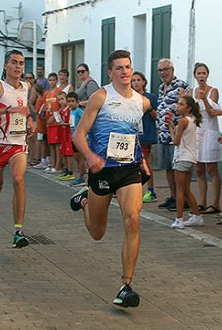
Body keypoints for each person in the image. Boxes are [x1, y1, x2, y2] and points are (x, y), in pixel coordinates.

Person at [69, 49, 151, 308]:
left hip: (129, 169)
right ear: (110, 72)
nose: (125, 72)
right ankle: (85, 202)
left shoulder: (141, 102)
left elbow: (134, 134)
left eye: (128, 67)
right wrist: (91, 157)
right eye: (119, 68)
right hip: (102, 170)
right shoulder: (100, 97)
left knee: (133, 220)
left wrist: (144, 161)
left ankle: (126, 286)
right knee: (97, 232)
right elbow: (78, 135)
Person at [0, 50, 35, 248]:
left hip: (18, 143)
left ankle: (18, 231)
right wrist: (7, 109)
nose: (18, 66)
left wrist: (30, 120)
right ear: (5, 66)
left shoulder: (26, 87)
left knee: (19, 179)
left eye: (21, 63)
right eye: (14, 62)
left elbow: (24, 108)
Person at [189, 62, 222, 215]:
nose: (201, 76)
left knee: (211, 168)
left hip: (209, 131)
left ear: (207, 75)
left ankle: (215, 202)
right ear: (195, 76)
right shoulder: (192, 92)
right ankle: (202, 202)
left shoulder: (213, 91)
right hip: (197, 132)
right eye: (199, 73)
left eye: (204, 73)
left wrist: (203, 100)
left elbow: (212, 113)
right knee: (199, 169)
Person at [156, 58, 189, 211]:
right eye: (160, 70)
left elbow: (187, 106)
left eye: (166, 69)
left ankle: (183, 199)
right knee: (168, 167)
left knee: (177, 168)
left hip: (175, 132)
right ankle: (173, 196)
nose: (163, 73)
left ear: (172, 70)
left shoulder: (180, 85)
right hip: (163, 132)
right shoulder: (161, 87)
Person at [168, 95, 204, 228]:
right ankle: (197, 215)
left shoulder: (183, 121)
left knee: (180, 190)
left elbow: (176, 142)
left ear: (188, 108)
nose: (178, 106)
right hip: (191, 158)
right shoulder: (193, 119)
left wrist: (174, 131)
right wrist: (173, 128)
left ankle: (179, 219)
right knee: (186, 189)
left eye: (181, 104)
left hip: (182, 157)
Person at [131, 72, 158, 203]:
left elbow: (156, 116)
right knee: (132, 163)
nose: (135, 83)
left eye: (138, 80)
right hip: (131, 134)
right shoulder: (128, 97)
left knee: (145, 162)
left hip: (145, 134)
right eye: (133, 80)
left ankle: (151, 190)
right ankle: (133, 190)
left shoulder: (150, 97)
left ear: (144, 82)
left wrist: (149, 107)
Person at [43, 73, 63, 173]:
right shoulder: (46, 93)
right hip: (48, 122)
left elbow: (62, 105)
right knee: (51, 144)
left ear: (57, 81)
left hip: (56, 122)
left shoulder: (59, 92)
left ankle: (58, 165)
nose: (52, 82)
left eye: (54, 80)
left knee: (57, 144)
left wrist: (54, 116)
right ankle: (52, 163)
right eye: (50, 80)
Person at [66, 92, 86, 187]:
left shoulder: (79, 112)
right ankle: (80, 175)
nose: (71, 103)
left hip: (79, 138)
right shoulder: (70, 111)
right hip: (72, 137)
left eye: (73, 101)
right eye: (69, 101)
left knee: (80, 158)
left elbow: (85, 122)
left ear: (77, 102)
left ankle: (82, 177)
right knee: (76, 158)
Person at [56, 92, 76, 181]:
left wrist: (65, 124)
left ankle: (70, 171)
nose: (61, 101)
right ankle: (67, 169)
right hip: (63, 134)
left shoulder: (70, 110)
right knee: (64, 152)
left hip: (68, 134)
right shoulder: (63, 109)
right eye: (59, 99)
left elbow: (71, 123)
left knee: (69, 153)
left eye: (62, 99)